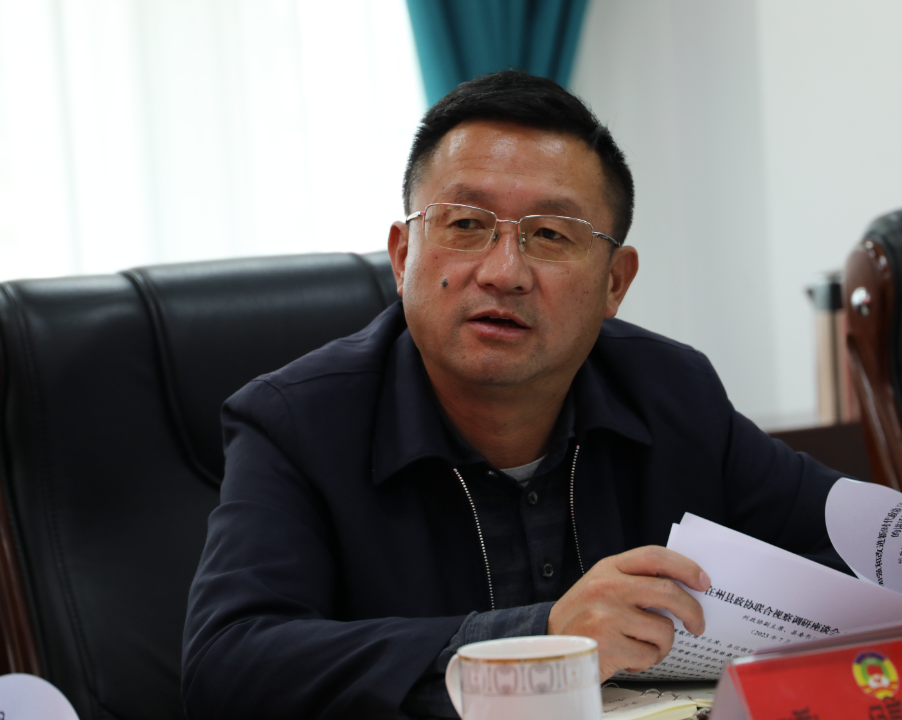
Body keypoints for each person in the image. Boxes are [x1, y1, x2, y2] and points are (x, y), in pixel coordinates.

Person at [181, 71, 846, 720]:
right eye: (466, 224)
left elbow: (856, 556)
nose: (504, 273)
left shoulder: (673, 391)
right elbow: (228, 666)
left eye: (551, 234)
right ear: (403, 255)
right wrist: (541, 641)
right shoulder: (295, 422)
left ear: (615, 282)